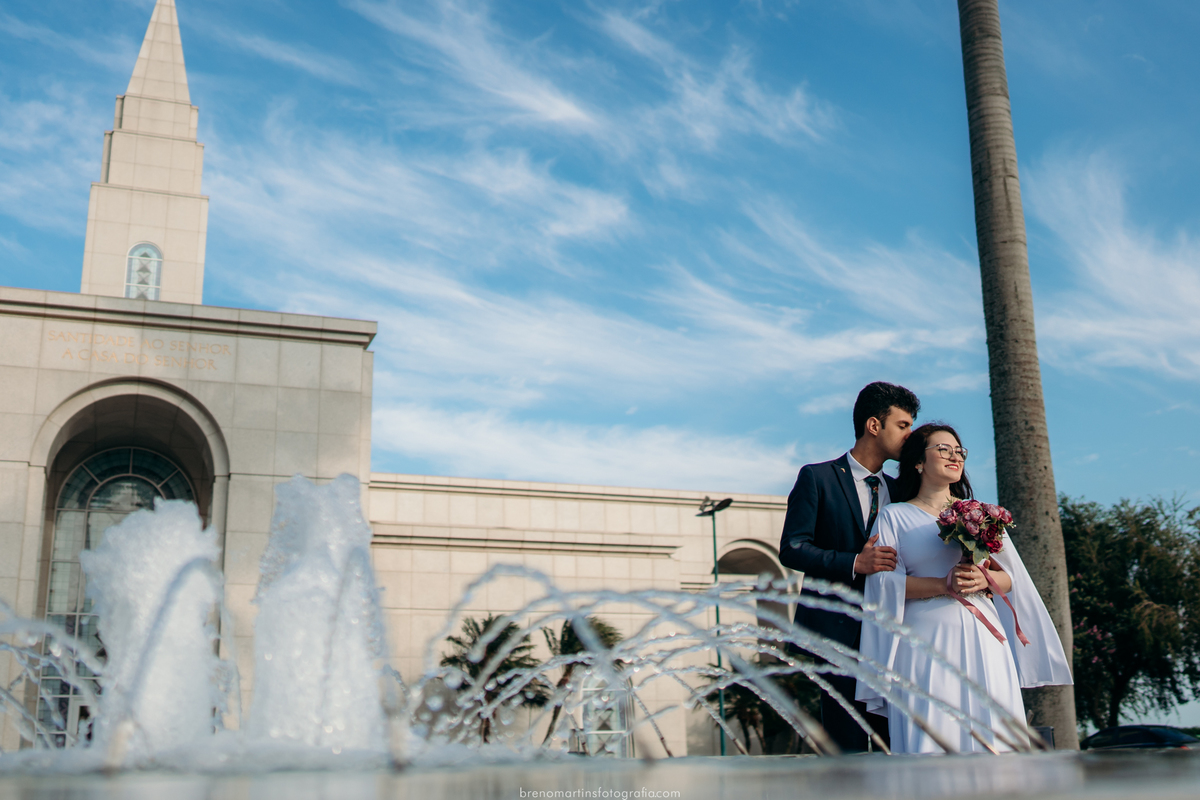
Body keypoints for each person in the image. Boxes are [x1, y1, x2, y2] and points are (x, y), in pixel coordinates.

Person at [854, 423, 1073, 753]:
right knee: (932, 734)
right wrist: (944, 584)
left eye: (959, 451)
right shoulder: (894, 517)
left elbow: (1009, 577)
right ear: (918, 462)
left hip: (985, 638)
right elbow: (885, 584)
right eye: (943, 449)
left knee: (994, 735)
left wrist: (985, 580)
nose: (954, 456)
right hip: (925, 642)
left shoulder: (980, 513)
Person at [778, 381, 920, 752]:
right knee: (847, 749)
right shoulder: (817, 478)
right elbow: (793, 549)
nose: (910, 434)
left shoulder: (902, 492)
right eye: (903, 425)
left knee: (896, 744)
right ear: (874, 425)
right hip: (837, 635)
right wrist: (855, 562)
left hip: (892, 634)